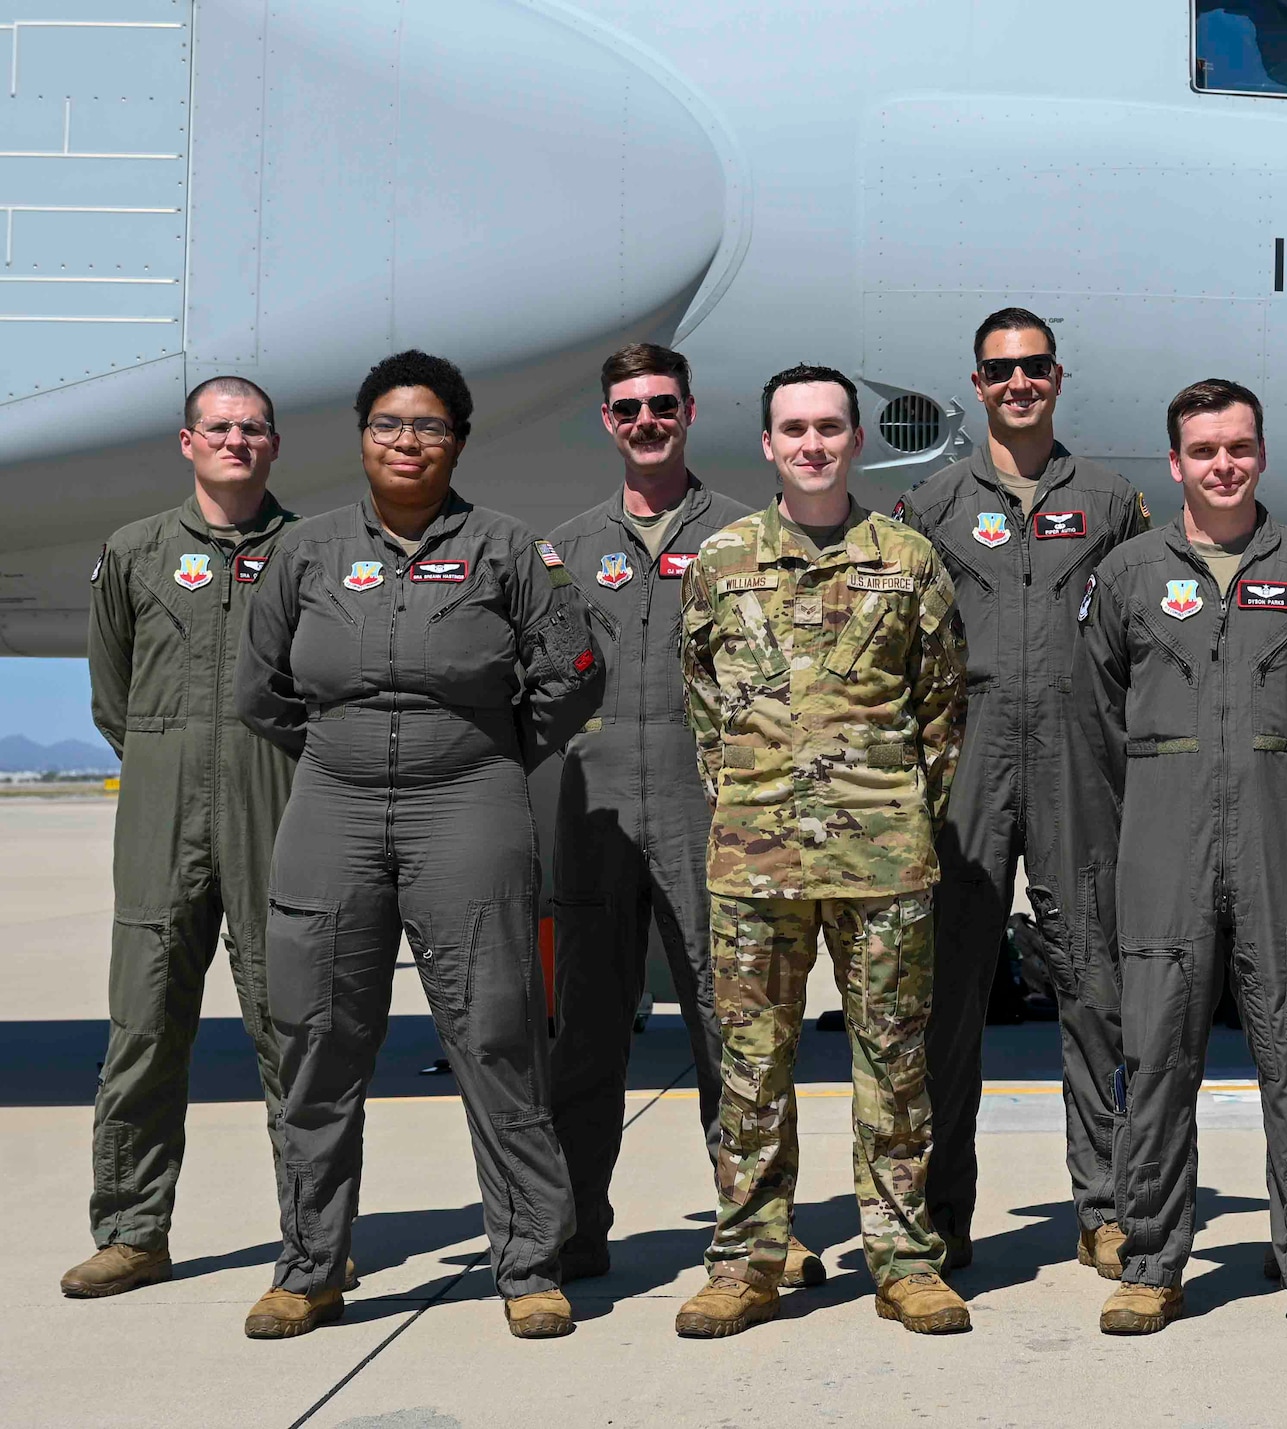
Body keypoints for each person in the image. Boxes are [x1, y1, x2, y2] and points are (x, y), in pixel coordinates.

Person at [235, 350, 603, 1341]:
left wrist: (488, 752)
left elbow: (570, 672)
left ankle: (527, 1261)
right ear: (362, 438)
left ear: (459, 441)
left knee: (495, 1028)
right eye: (388, 424)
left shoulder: (506, 550)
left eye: (428, 426)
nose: (407, 442)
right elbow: (258, 688)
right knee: (316, 1034)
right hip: (334, 804)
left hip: (468, 802)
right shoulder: (305, 553)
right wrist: (339, 753)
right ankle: (310, 1265)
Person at [675, 364, 971, 1338]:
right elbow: (703, 706)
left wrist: (892, 813)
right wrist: (755, 801)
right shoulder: (720, 562)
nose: (811, 444)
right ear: (767, 444)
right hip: (754, 866)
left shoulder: (907, 561)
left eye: (828, 428)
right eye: (792, 429)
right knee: (750, 1071)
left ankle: (903, 1260)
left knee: (893, 1068)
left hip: (882, 862)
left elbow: (939, 708)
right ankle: (746, 1263)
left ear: (853, 441)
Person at [1072, 378, 1287, 1336]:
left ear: (1262, 454)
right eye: (1205, 451)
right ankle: (1152, 1261)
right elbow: (1098, 716)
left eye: (1239, 447)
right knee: (1156, 1058)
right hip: (1165, 848)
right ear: (1176, 463)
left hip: (1282, 847)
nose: (1223, 465)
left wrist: (1284, 794)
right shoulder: (1125, 576)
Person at [544, 344, 829, 1288]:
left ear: (690, 411)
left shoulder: (745, 539)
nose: (646, 422)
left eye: (661, 405)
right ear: (608, 421)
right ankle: (575, 1224)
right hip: (594, 821)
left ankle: (757, 1227)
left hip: (714, 813)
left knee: (731, 1028)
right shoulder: (568, 547)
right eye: (627, 408)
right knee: (585, 1031)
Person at [895, 307, 1150, 1275]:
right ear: (976, 383)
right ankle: (942, 1208)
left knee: (1094, 988)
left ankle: (1106, 1206)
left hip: (1079, 764)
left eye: (1034, 366)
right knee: (947, 995)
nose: (1018, 383)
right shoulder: (929, 506)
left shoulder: (1115, 502)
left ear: (1056, 375)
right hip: (964, 763)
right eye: (1000, 369)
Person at [61, 378, 303, 1300]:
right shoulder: (136, 552)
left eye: (251, 428)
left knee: (292, 1027)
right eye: (219, 428)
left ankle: (313, 1236)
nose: (235, 441)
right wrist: (172, 761)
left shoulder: (310, 552)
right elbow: (112, 699)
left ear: (272, 444)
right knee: (144, 1025)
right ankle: (131, 1230)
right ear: (187, 441)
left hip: (274, 806)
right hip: (163, 816)